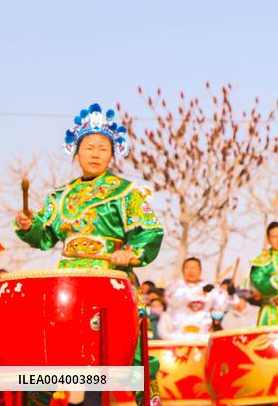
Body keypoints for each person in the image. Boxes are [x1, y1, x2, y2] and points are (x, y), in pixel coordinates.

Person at [13, 103, 165, 406]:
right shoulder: (60, 196)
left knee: (126, 353)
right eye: (89, 147)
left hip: (110, 279)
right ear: (76, 152)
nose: (95, 153)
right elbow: (44, 236)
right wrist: (29, 226)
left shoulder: (126, 192)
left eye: (102, 148)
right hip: (69, 283)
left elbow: (151, 231)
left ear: (113, 154)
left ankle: (147, 396)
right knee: (55, 349)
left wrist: (131, 252)